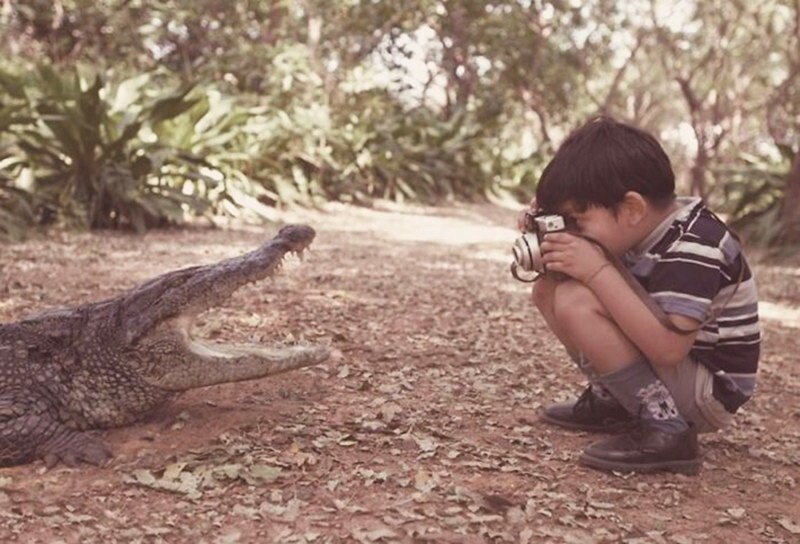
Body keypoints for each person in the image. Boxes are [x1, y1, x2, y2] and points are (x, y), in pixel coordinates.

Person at [520, 116, 760, 474]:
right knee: (549, 288)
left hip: (708, 392)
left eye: (577, 221)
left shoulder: (697, 244)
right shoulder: (640, 229)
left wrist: (597, 268)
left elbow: (669, 348)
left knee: (576, 300)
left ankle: (668, 428)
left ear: (632, 208)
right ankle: (618, 401)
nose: (575, 233)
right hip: (677, 370)